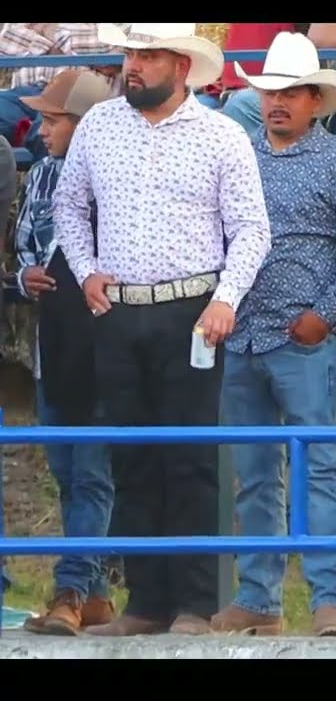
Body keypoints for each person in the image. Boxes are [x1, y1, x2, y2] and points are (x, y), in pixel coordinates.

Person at [53, 23, 272, 636]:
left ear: (180, 65)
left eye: (146, 55)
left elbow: (252, 228)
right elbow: (69, 204)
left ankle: (195, 605)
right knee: (132, 456)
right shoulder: (98, 125)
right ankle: (147, 602)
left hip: (191, 308)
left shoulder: (223, 134)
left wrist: (226, 298)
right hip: (118, 308)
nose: (134, 66)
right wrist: (86, 268)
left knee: (191, 459)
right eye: (130, 54)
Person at [209, 33, 336, 637]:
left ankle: (328, 597)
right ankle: (258, 596)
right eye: (269, 92)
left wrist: (326, 312)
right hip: (242, 332)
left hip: (304, 336)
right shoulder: (238, 153)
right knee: (254, 470)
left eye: (289, 93)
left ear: (315, 99)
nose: (276, 103)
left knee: (317, 467)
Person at [12, 69, 118, 636]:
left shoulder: (120, 175)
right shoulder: (46, 171)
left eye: (53, 120)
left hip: (102, 342)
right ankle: (96, 595)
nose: (40, 129)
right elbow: (26, 238)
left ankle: (72, 590)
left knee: (93, 474)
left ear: (84, 124)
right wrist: (28, 271)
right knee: (68, 473)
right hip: (53, 340)